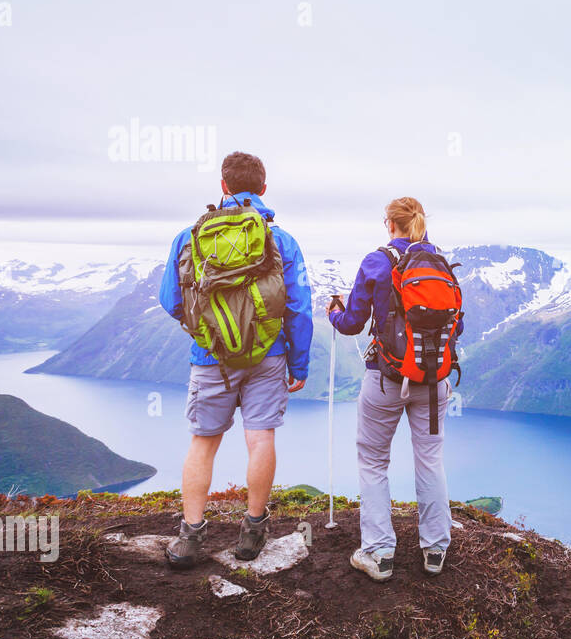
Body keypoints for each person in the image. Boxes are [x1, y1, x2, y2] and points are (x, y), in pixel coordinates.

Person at [157, 152, 313, 569]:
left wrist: (208, 331)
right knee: (260, 438)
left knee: (203, 443)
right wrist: (298, 365)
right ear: (263, 189)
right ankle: (253, 530)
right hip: (269, 355)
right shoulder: (281, 240)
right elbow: (298, 309)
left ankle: (190, 538)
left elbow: (170, 300)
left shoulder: (189, 236)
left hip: (210, 359)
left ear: (223, 186)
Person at [329, 196, 462, 581]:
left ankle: (379, 553)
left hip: (385, 382)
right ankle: (435, 549)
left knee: (373, 461)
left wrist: (334, 313)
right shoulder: (440, 263)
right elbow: (457, 326)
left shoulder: (377, 261)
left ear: (390, 224)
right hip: (435, 384)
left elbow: (353, 322)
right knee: (431, 459)